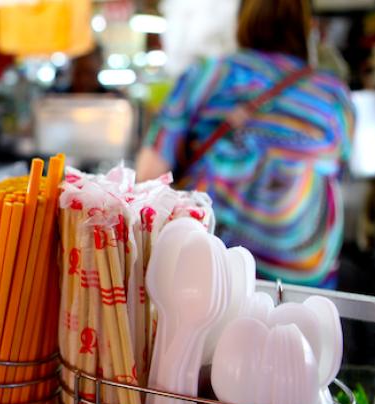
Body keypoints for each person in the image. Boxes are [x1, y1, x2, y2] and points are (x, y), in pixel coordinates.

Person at [136, 0, 354, 288]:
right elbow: (338, 173)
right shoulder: (334, 94)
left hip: (211, 280)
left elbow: (149, 177)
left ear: (241, 20)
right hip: (305, 285)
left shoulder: (208, 77)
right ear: (307, 26)